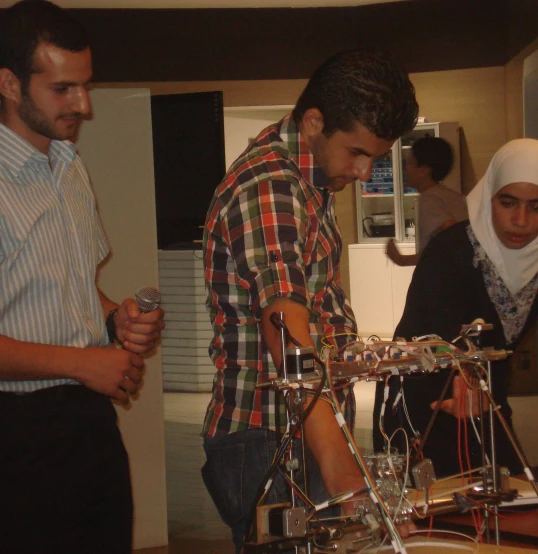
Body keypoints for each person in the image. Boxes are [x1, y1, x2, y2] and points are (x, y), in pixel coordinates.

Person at [0, 1, 164, 552]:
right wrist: (84, 362)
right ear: (9, 83)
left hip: (87, 425)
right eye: (63, 89)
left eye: (85, 85)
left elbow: (73, 291)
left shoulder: (68, 166)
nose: (84, 104)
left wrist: (114, 321)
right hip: (9, 440)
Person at [201, 50, 419, 552]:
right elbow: (285, 327)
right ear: (315, 121)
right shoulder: (272, 184)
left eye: (377, 158)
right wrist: (345, 473)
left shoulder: (307, 179)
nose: (365, 173)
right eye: (357, 153)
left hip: (294, 430)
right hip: (268, 435)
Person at [373, 138, 538, 478]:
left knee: (509, 505)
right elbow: (432, 339)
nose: (521, 220)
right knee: (438, 515)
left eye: (537, 207)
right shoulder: (450, 252)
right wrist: (463, 375)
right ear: (490, 196)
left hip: (487, 402)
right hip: (423, 402)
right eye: (508, 202)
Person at [386, 136, 467, 266]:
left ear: (424, 170)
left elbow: (452, 240)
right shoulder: (453, 196)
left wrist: (401, 260)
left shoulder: (429, 199)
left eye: (411, 163)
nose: (406, 168)